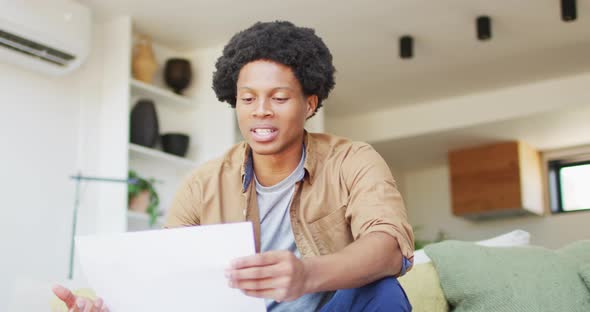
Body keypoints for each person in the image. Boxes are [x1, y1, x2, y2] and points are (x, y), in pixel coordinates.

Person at [53, 20, 414, 312]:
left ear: (309, 104)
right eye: (247, 98)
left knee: (381, 289)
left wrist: (307, 275)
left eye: (279, 97)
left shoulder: (353, 161)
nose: (261, 110)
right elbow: (166, 278)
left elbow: (390, 246)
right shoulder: (202, 184)